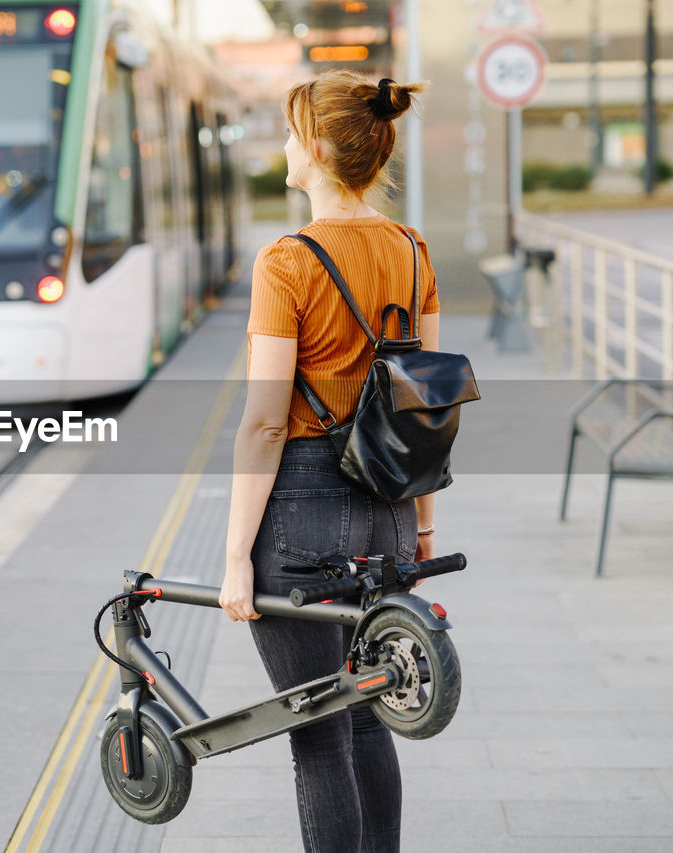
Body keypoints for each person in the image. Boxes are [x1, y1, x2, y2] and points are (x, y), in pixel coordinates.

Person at [218, 71, 438, 853]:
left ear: (314, 150)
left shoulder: (287, 262)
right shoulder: (412, 252)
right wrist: (419, 527)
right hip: (385, 506)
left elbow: (265, 423)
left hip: (301, 511)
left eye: (286, 132)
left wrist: (237, 553)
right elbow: (422, 407)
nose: (282, 145)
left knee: (316, 734)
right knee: (370, 717)